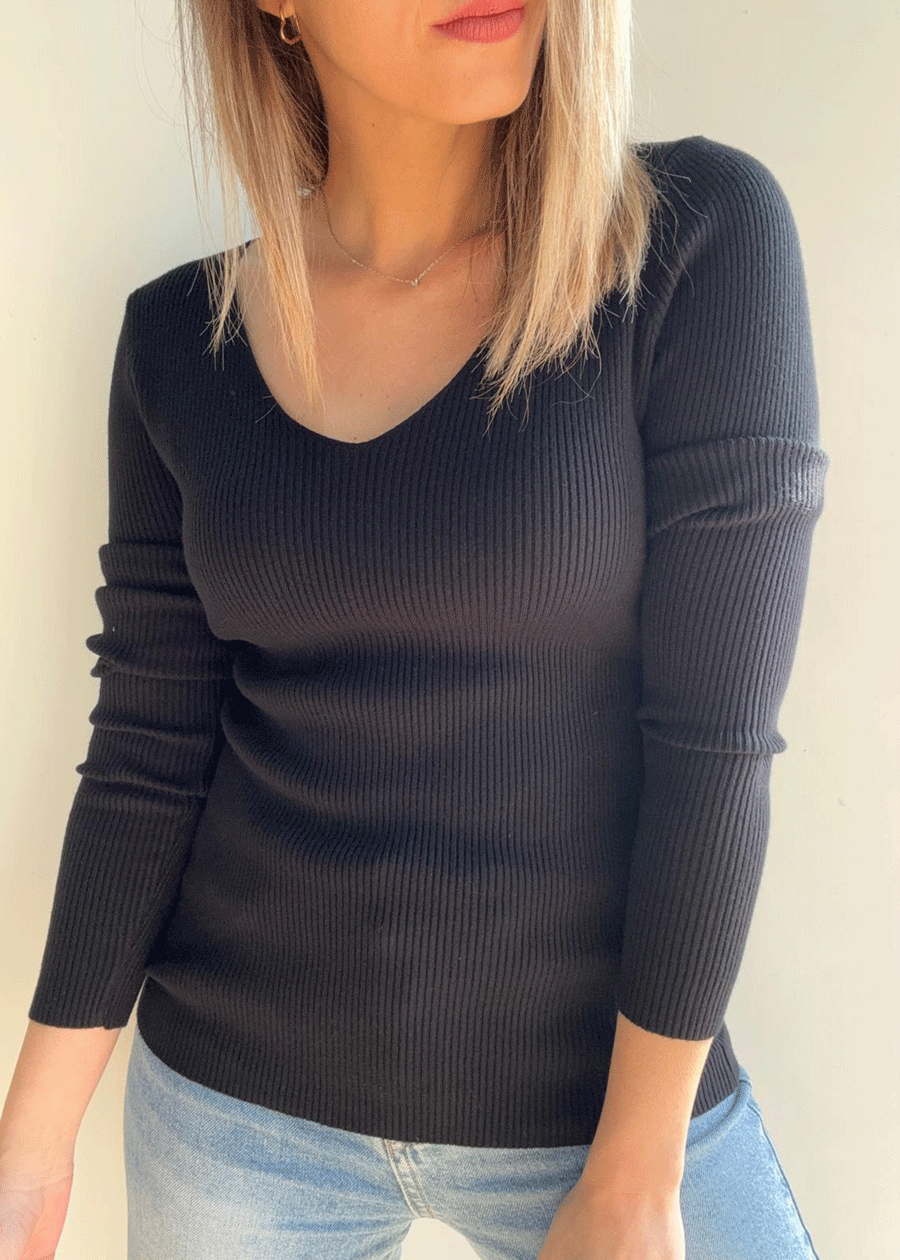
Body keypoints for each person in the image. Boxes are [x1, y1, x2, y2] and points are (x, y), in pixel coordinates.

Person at [0, 1, 828, 1257]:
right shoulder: (179, 341)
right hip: (236, 1120)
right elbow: (148, 755)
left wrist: (635, 1174)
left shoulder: (693, 243)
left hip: (610, 1118)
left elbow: (713, 747)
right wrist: (30, 1144)